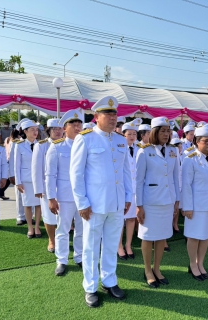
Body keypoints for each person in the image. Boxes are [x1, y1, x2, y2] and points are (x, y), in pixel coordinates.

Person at [70, 96, 132, 308]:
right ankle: (90, 287)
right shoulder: (85, 138)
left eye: (115, 114)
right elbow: (76, 174)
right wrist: (82, 202)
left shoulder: (120, 140)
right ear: (96, 117)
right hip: (94, 205)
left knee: (112, 243)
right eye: (108, 114)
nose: (113, 118)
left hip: (116, 203)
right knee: (90, 246)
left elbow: (125, 172)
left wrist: (127, 197)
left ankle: (109, 280)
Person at [136, 116, 180, 288]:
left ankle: (157, 268)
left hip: (167, 201)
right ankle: (147, 270)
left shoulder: (173, 151)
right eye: (162, 131)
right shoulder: (144, 151)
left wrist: (177, 200)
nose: (166, 134)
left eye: (168, 131)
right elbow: (138, 181)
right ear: (154, 132)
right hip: (150, 202)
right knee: (147, 237)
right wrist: (139, 206)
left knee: (162, 236)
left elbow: (176, 177)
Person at [46, 109, 84, 276]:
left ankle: (80, 256)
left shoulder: (86, 144)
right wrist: (51, 198)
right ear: (64, 128)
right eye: (73, 124)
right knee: (63, 229)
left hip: (83, 196)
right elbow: (50, 174)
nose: (77, 127)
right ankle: (61, 260)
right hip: (65, 196)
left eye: (79, 124)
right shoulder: (56, 147)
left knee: (82, 229)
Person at [182, 125, 208, 281]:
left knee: (205, 236)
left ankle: (201, 263)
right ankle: (192, 264)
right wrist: (187, 207)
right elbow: (186, 185)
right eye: (206, 141)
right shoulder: (190, 159)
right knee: (194, 236)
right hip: (196, 206)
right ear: (197, 142)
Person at [32, 118, 64, 253]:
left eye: (59, 129)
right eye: (54, 129)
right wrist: (38, 188)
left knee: (64, 216)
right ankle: (52, 239)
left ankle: (63, 238)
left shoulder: (68, 144)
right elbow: (36, 168)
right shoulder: (41, 145)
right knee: (49, 216)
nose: (57, 132)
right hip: (47, 188)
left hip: (64, 187)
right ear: (49, 131)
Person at [117, 118, 142, 260]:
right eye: (129, 134)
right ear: (123, 135)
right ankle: (119, 245)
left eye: (134, 134)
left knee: (132, 218)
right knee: (120, 219)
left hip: (135, 190)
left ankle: (128, 245)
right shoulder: (119, 148)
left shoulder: (140, 149)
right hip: (123, 189)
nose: (132, 136)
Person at [15, 120, 42, 239]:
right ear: (25, 131)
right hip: (26, 180)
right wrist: (18, 182)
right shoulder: (19, 146)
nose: (35, 132)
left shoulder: (41, 144)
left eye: (36, 130)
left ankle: (37, 227)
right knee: (27, 204)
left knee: (38, 205)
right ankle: (30, 227)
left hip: (39, 179)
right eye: (32, 130)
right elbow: (16, 165)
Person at [8, 119, 28, 225]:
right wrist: (12, 174)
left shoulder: (36, 143)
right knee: (20, 196)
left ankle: (30, 215)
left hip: (31, 175)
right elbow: (12, 160)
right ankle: (20, 216)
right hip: (19, 174)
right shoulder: (16, 143)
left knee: (32, 196)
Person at [170, 137, 183, 233]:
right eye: (178, 146)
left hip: (181, 184)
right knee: (171, 207)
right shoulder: (171, 155)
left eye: (180, 146)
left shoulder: (185, 155)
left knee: (177, 206)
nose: (180, 148)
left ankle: (175, 224)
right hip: (172, 184)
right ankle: (170, 224)